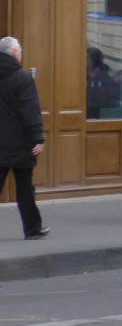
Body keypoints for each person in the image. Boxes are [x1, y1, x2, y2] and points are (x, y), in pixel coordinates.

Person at [0, 37, 48, 240]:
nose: (21, 54)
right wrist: (38, 137)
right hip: (20, 142)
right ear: (13, 53)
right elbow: (30, 110)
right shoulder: (23, 78)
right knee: (25, 188)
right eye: (20, 51)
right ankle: (32, 229)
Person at [86, 46, 121, 118]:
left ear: (95, 59)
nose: (85, 60)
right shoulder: (81, 71)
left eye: (87, 57)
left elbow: (118, 80)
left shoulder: (107, 69)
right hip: (87, 109)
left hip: (103, 110)